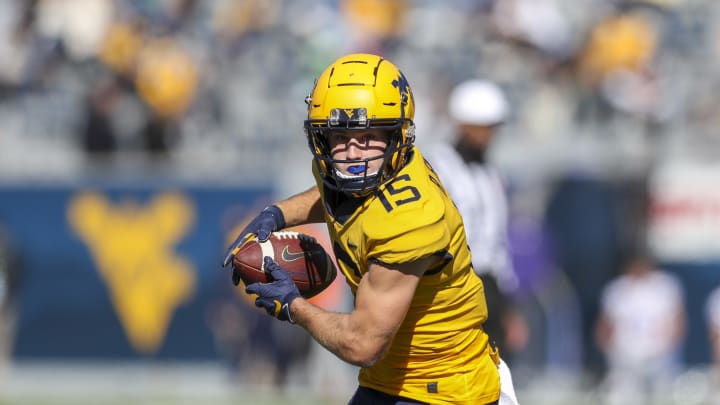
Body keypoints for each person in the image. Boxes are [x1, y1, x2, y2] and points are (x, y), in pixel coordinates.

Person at [222, 54, 520, 405]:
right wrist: (279, 213)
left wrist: (293, 306)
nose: (352, 153)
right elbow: (332, 192)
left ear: (398, 136)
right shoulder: (354, 169)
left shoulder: (412, 218)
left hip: (447, 388)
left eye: (368, 136)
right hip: (389, 379)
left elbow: (362, 344)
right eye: (340, 136)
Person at [423, 79, 528, 361]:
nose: (488, 135)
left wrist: (508, 305)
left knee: (494, 371)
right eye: (482, 126)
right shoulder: (437, 166)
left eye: (492, 127)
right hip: (452, 281)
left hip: (488, 285)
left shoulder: (491, 174)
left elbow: (497, 242)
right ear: (462, 124)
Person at [594, 253, 686, 405]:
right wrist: (609, 350)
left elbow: (678, 320)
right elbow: (605, 324)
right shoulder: (617, 289)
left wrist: (669, 345)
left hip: (658, 353)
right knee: (623, 397)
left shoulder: (665, 286)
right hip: (625, 354)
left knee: (662, 396)